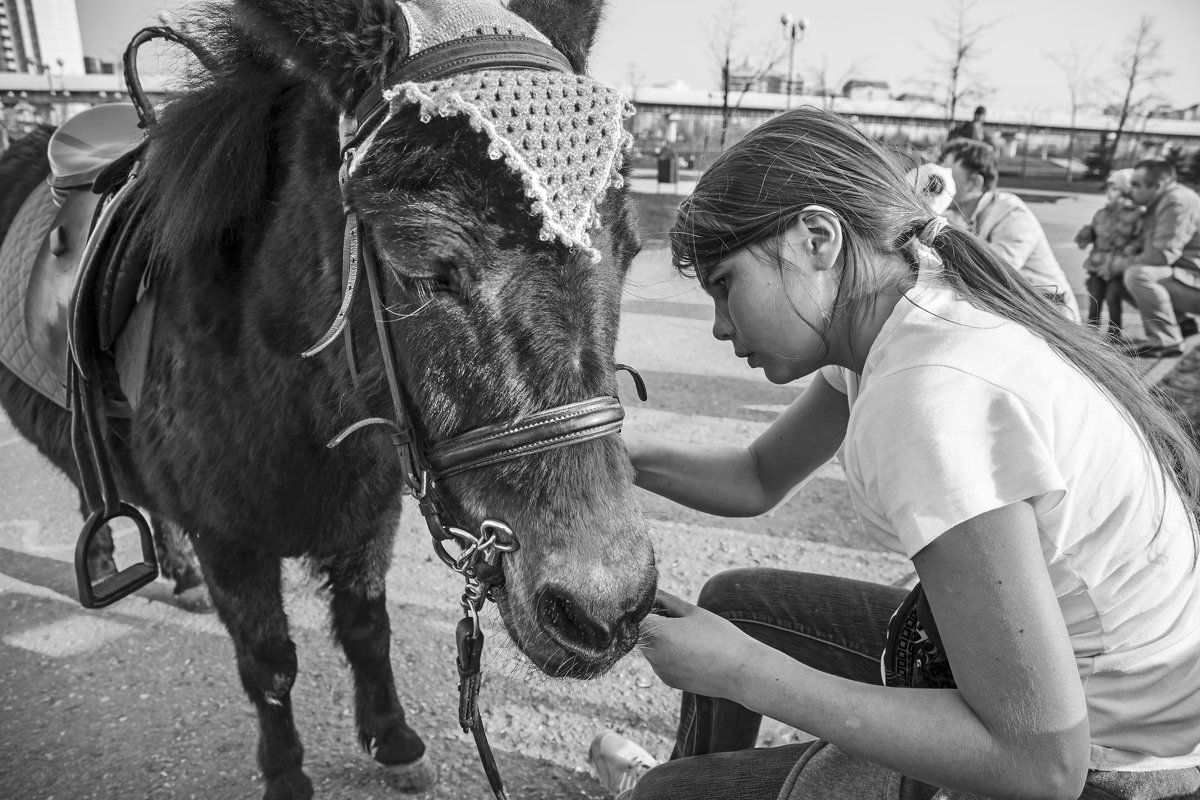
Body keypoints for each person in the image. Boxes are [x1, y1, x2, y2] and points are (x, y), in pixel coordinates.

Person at [588, 107, 1200, 800]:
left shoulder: (927, 394)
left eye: (725, 284)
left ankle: (670, 786)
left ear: (817, 238)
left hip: (1117, 765)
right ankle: (696, 775)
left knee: (667, 792)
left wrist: (740, 669)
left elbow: (1039, 766)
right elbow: (757, 477)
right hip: (1111, 699)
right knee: (736, 604)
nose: (721, 327)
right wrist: (613, 454)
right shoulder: (908, 307)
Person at [940, 138, 1080, 320]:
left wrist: (957, 236)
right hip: (1024, 312)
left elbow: (994, 272)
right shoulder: (965, 215)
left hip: (1053, 317)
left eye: (948, 174)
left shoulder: (1011, 213)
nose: (939, 181)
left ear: (974, 183)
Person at [1120, 159, 1200, 358]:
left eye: (1136, 184)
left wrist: (1119, 263)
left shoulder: (1176, 202)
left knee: (1137, 275)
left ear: (1157, 186)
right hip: (1185, 277)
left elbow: (1161, 255)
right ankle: (1182, 324)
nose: (1131, 189)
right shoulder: (1164, 199)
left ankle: (1165, 341)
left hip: (1193, 283)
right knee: (1125, 273)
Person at [1073, 169, 1143, 341]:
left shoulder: (1136, 213)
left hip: (1118, 265)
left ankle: (1114, 332)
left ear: (1126, 190)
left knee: (1113, 296)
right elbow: (1095, 230)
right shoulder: (1102, 212)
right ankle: (1091, 330)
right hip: (1098, 263)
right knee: (1095, 295)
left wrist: (1133, 248)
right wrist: (1087, 234)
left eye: (1114, 188)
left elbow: (1140, 237)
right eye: (1109, 189)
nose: (1109, 193)